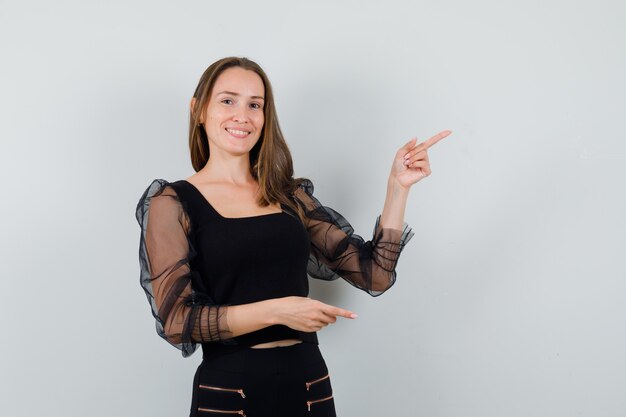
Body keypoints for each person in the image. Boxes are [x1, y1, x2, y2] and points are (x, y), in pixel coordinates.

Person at [135, 56, 451, 417]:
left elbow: (374, 274)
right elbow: (176, 321)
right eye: (228, 100)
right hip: (228, 390)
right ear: (199, 110)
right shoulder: (172, 202)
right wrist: (277, 310)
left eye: (255, 105)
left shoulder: (289, 195)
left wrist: (398, 187)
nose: (243, 115)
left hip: (308, 383)